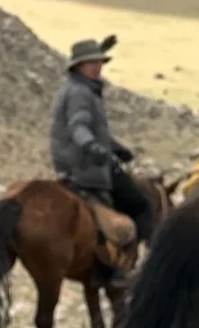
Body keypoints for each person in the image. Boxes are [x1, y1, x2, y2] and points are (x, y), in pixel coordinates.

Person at [49, 34, 154, 246]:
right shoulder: (81, 93)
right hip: (87, 168)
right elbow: (79, 127)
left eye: (99, 62)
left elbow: (92, 131)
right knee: (141, 205)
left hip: (73, 164)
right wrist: (91, 147)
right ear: (78, 67)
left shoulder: (76, 90)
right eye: (91, 63)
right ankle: (134, 263)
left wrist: (117, 148)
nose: (98, 67)